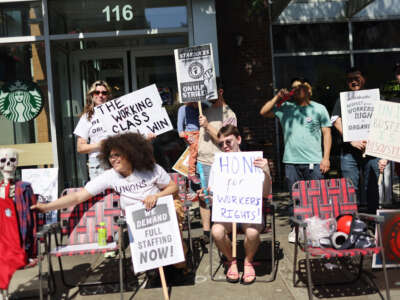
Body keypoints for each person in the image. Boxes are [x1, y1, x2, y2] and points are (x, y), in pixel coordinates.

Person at [260, 78, 332, 242]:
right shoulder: (286, 108)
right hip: (291, 161)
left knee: (316, 196)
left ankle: (317, 230)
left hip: (314, 160)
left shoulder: (319, 108)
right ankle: (297, 229)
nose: (296, 89)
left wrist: (326, 158)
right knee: (295, 197)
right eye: (293, 88)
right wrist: (277, 98)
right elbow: (263, 112)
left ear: (309, 89)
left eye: (300, 86)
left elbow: (327, 133)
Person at [198, 125, 272, 284]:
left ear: (238, 139)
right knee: (216, 231)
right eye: (221, 144)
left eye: (228, 142)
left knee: (252, 233)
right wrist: (205, 195)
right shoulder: (217, 165)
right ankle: (232, 260)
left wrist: (266, 171)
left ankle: (247, 261)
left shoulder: (254, 161)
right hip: (227, 211)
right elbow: (212, 195)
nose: (225, 146)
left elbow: (265, 194)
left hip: (248, 210)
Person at [331, 68, 380, 213]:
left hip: (371, 150)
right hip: (348, 153)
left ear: (363, 79)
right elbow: (335, 120)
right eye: (350, 79)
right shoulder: (342, 99)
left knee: (372, 187)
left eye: (356, 78)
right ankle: (350, 221)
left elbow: (384, 120)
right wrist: (351, 139)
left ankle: (372, 221)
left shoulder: (375, 97)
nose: (353, 82)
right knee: (349, 188)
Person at [197, 78, 237, 243]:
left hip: (219, 161)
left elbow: (225, 140)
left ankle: (224, 229)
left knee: (222, 196)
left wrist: (207, 126)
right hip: (203, 160)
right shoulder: (205, 111)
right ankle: (206, 232)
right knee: (205, 196)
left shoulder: (229, 114)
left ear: (220, 91)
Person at [74, 80, 113, 180]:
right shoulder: (87, 117)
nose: (100, 95)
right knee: (101, 195)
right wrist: (99, 145)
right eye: (97, 92)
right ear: (92, 95)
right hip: (98, 163)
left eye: (104, 93)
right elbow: (80, 147)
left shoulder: (116, 113)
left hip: (118, 160)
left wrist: (146, 137)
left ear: (108, 95)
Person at [177, 102, 200, 184]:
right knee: (195, 149)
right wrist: (185, 135)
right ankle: (191, 173)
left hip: (201, 132)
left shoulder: (202, 106)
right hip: (190, 132)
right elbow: (180, 129)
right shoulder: (183, 108)